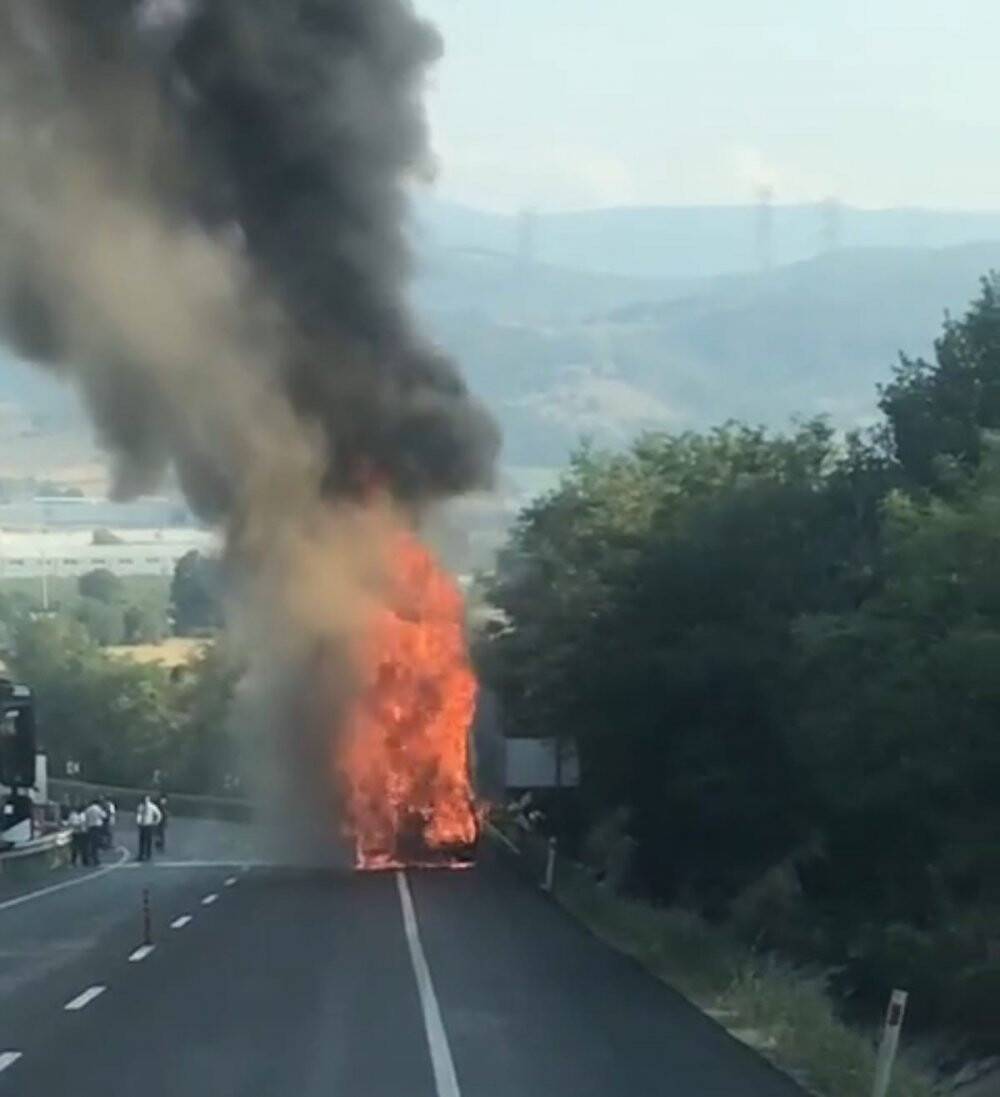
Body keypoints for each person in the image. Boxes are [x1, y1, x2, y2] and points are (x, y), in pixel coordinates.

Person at [136, 795, 162, 862]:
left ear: (149, 800)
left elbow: (158, 814)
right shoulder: (141, 806)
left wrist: (156, 822)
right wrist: (138, 822)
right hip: (142, 825)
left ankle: (148, 855)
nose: (146, 801)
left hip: (149, 825)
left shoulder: (152, 806)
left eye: (147, 800)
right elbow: (139, 815)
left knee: (148, 841)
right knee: (141, 841)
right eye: (145, 799)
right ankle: (141, 855)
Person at [84, 798, 107, 866]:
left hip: (90, 827)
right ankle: (96, 860)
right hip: (97, 827)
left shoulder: (88, 809)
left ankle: (90, 859)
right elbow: (104, 816)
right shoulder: (98, 809)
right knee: (96, 844)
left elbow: (86, 818)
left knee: (91, 844)